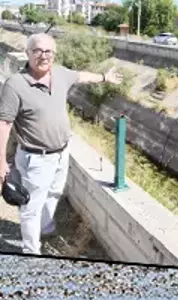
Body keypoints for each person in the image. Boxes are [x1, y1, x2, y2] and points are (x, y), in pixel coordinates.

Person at [0, 33, 121, 255]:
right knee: (30, 208)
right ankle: (31, 251)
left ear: (54, 55)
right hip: (35, 158)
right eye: (37, 50)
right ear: (27, 53)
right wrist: (0, 164)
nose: (43, 55)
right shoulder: (15, 84)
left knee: (54, 193)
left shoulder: (61, 74)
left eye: (48, 51)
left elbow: (82, 76)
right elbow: (4, 125)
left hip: (61, 154)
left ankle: (45, 227)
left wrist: (105, 77)